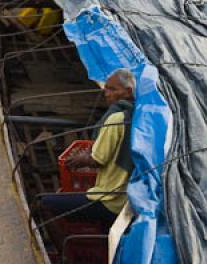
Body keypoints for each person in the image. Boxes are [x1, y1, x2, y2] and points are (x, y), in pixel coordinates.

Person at [41, 68, 136, 233]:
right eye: (106, 88)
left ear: (128, 92)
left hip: (110, 200)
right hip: (130, 199)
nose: (106, 93)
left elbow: (97, 159)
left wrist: (77, 160)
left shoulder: (116, 119)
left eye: (112, 89)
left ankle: (62, 248)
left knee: (42, 203)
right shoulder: (141, 114)